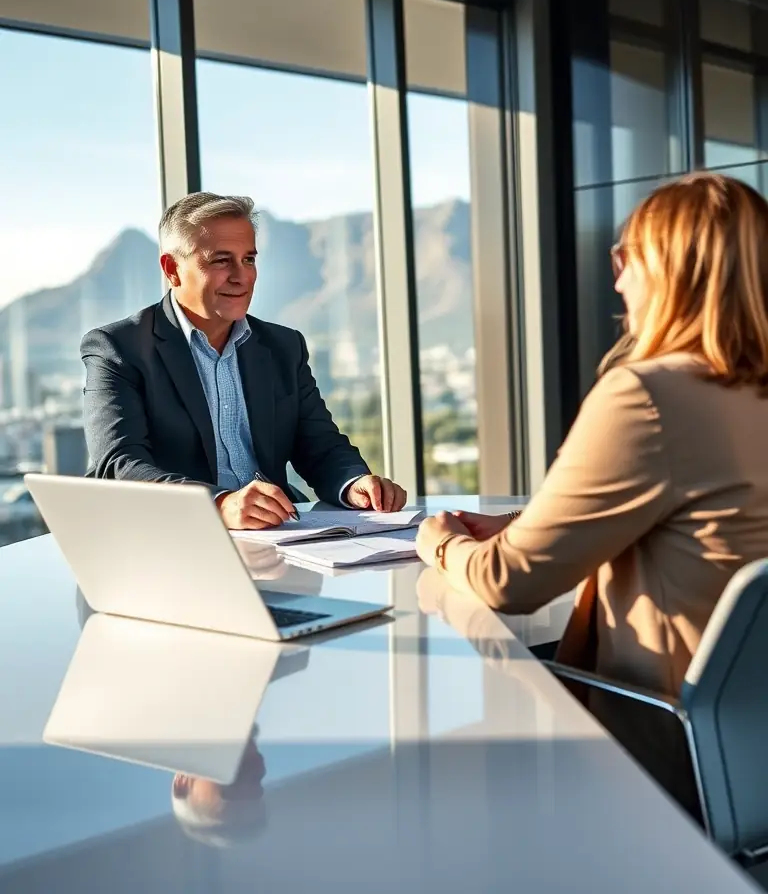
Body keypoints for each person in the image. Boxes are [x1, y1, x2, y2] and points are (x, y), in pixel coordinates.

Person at [415, 172, 768, 815]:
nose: (617, 279)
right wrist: (536, 519)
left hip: (669, 752)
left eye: (625, 257)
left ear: (667, 269)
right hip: (752, 752)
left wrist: (439, 544)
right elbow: (704, 515)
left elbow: (510, 583)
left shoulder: (649, 395)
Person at [81, 193, 406, 529]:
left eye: (248, 259)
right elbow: (119, 465)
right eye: (221, 261)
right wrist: (219, 505)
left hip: (279, 535)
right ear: (172, 269)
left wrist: (354, 484)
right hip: (174, 540)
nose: (241, 276)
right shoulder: (118, 348)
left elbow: (319, 444)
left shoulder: (283, 346)